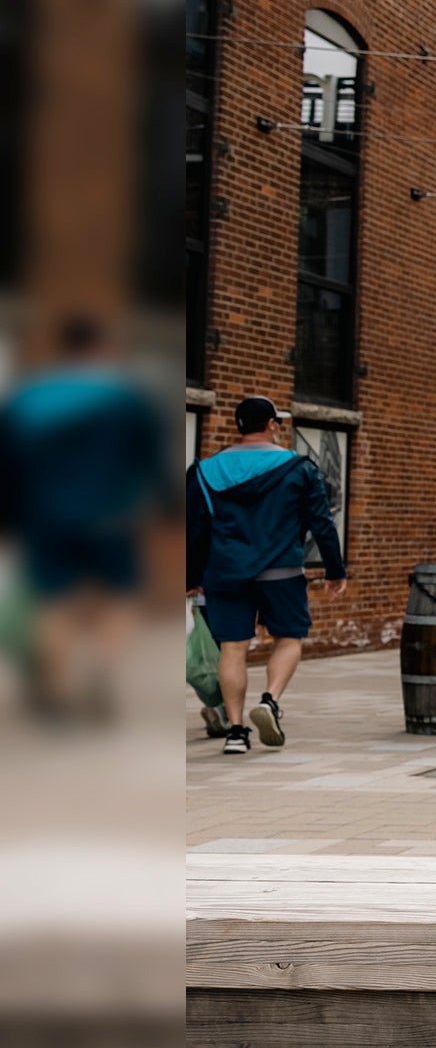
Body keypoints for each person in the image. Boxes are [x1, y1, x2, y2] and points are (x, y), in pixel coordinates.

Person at [0, 315, 172, 721]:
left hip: (47, 516)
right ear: (103, 347)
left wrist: (9, 517)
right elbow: (149, 458)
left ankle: (58, 691)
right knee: (117, 597)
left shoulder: (29, 398)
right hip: (112, 515)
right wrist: (167, 506)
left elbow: (8, 465)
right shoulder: (126, 399)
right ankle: (104, 675)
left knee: (54, 601)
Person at [184, 395, 347, 755]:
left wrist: (190, 576)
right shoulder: (300, 468)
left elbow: (194, 528)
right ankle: (269, 701)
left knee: (233, 649)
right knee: (289, 639)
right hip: (282, 571)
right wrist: (335, 570)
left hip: (224, 572)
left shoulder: (203, 471)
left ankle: (237, 732)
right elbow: (321, 523)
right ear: (272, 425)